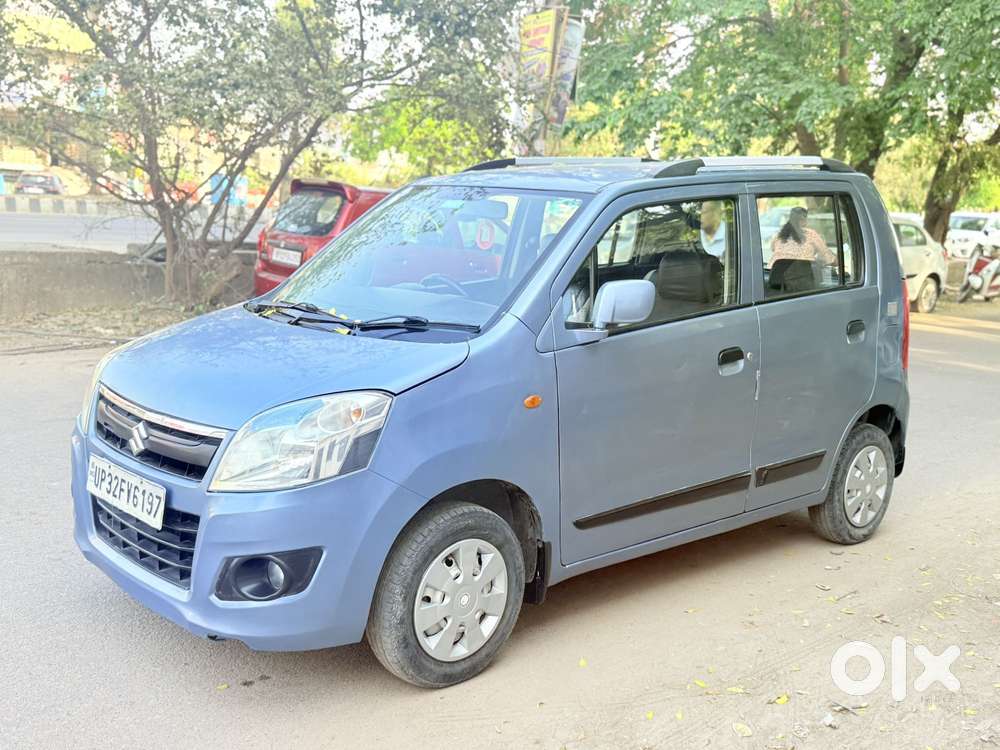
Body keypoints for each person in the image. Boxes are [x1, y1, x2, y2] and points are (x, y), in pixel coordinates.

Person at [770, 206, 837, 265]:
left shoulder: (779, 235)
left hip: (774, 276)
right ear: (804, 219)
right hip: (802, 277)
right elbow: (827, 257)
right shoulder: (810, 234)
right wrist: (838, 261)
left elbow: (773, 249)